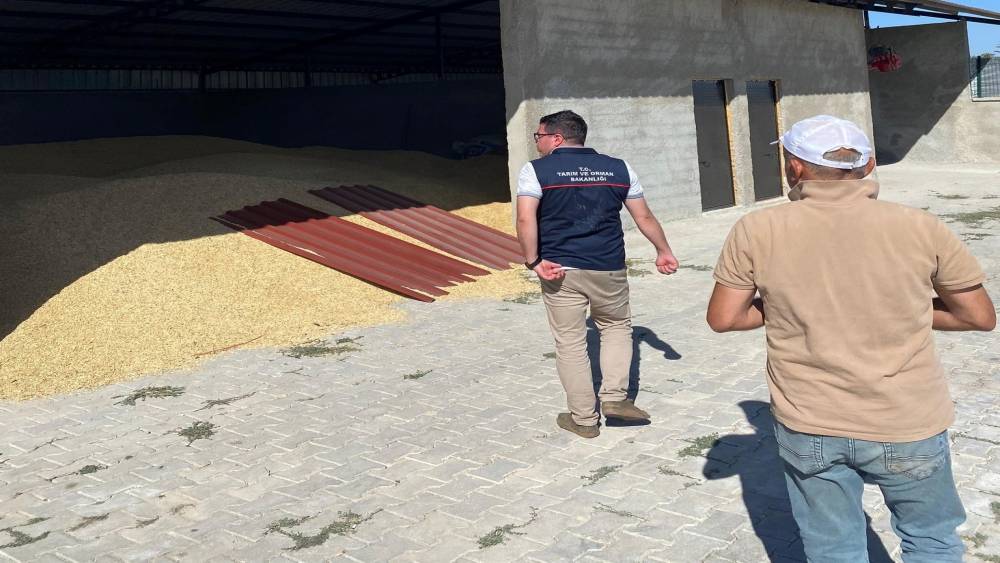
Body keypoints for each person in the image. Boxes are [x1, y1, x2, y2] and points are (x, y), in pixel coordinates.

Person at [706, 114, 996, 562]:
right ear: (870, 165)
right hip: (907, 418)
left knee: (832, 549)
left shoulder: (757, 229)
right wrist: (908, 308)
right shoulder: (921, 226)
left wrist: (786, 306)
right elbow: (978, 316)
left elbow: (725, 318)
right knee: (931, 541)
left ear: (794, 168)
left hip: (811, 421)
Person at [515, 110, 679, 439]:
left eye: (539, 136)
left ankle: (584, 420)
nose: (537, 143)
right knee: (616, 328)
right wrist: (663, 250)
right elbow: (644, 216)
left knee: (570, 343)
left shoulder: (535, 171)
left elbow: (524, 218)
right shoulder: (619, 168)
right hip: (609, 267)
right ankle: (615, 398)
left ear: (556, 138)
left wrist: (533, 261)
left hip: (560, 269)